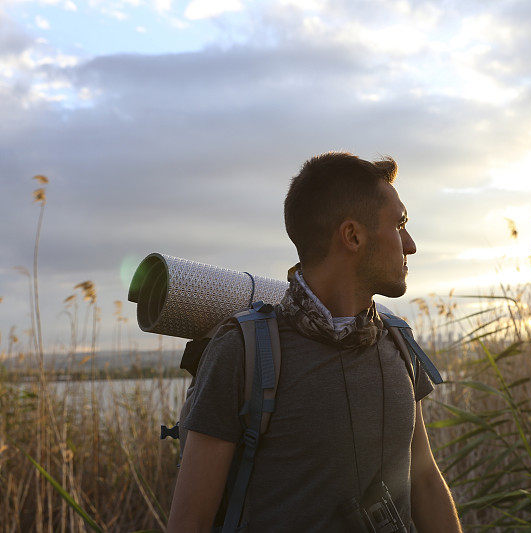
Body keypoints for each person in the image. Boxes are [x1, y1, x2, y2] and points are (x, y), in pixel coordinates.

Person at [166, 152, 462, 532]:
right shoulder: (243, 352)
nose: (410, 244)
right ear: (353, 236)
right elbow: (189, 523)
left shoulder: (398, 341)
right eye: (399, 224)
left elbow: (424, 481)